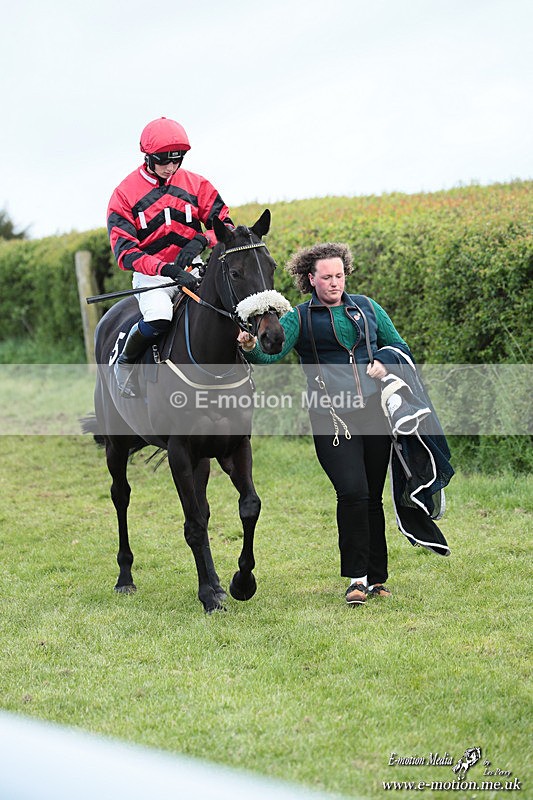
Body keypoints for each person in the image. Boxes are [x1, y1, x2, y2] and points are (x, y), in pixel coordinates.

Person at [238, 242, 411, 607]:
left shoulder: (367, 307)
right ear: (310, 279)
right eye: (327, 277)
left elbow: (400, 346)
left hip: (374, 412)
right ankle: (357, 578)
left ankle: (378, 578)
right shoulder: (298, 318)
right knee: (351, 492)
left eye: (339, 275)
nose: (335, 283)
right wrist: (250, 346)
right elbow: (271, 356)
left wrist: (383, 361)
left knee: (372, 498)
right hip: (330, 418)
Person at [107, 116, 234, 396]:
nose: (171, 167)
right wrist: (165, 269)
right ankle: (125, 366)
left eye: (178, 160)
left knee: (223, 312)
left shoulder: (197, 185)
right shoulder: (124, 195)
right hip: (153, 279)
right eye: (164, 160)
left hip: (194, 269)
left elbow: (225, 225)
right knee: (161, 316)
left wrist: (202, 240)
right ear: (148, 157)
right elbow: (125, 253)